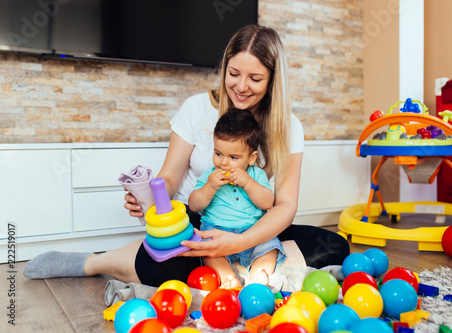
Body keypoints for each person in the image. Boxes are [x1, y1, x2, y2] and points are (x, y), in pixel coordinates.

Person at [23, 24, 350, 287]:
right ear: (224, 67)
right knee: (163, 270)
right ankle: (95, 261)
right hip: (199, 221)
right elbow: (171, 176)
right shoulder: (196, 109)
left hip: (254, 226)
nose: (241, 86)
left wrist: (238, 242)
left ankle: (230, 265)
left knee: (335, 247)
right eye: (234, 73)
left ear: (273, 80)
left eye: (255, 78)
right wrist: (149, 197)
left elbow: (285, 206)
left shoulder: (287, 126)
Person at [189, 108, 284, 288]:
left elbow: (267, 202)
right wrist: (209, 187)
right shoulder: (209, 176)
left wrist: (248, 183)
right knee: (208, 250)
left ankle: (258, 275)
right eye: (218, 154)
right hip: (217, 229)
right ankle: (227, 277)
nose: (223, 162)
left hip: (252, 232)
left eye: (233, 157)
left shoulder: (256, 175)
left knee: (270, 246)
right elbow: (194, 205)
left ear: (251, 158)